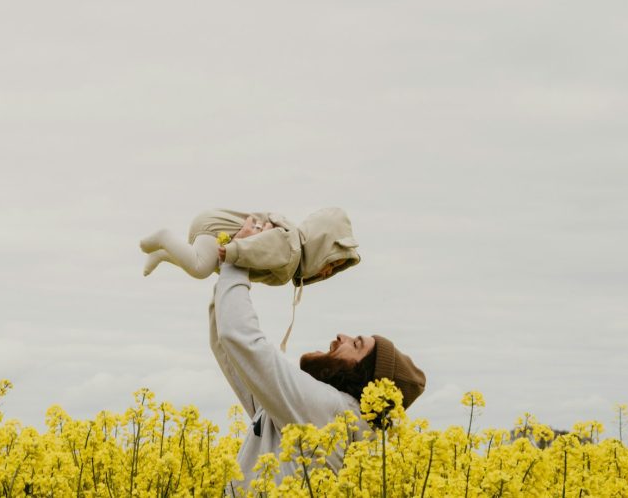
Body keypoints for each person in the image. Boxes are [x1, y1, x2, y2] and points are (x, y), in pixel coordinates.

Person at [210, 217, 426, 490]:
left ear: (363, 380)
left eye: (356, 345)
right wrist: (228, 266)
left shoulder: (330, 411)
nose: (341, 336)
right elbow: (231, 350)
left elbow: (242, 340)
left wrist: (238, 258)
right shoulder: (314, 413)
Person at [142, 208, 361, 350]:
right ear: (320, 247)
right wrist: (234, 250)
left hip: (216, 232)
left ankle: (163, 253)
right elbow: (262, 246)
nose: (326, 272)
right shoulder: (289, 247)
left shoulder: (291, 252)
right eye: (330, 263)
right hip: (218, 231)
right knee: (200, 268)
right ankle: (164, 237)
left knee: (201, 265)